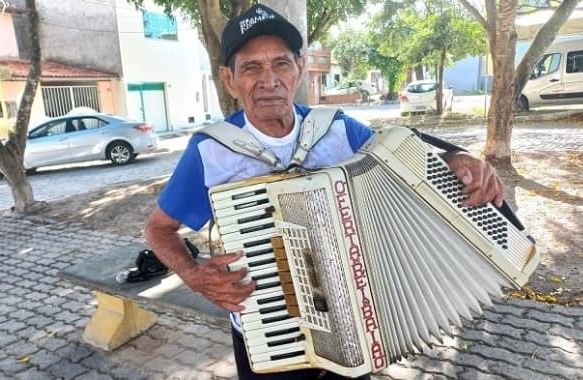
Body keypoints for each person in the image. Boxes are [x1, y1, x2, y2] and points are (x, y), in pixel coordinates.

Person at [144, 4, 504, 380]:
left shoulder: (338, 130)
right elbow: (157, 229)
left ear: (298, 68)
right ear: (229, 79)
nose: (269, 80)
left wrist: (457, 159)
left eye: (281, 64)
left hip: (353, 325)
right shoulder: (210, 151)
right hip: (269, 333)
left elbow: (407, 160)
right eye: (252, 67)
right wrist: (194, 274)